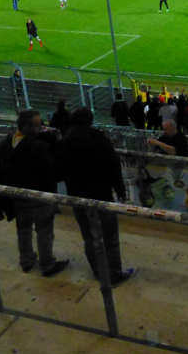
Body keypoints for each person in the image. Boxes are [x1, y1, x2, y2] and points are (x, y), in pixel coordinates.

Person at [55, 107, 136, 288]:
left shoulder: (64, 143)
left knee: (89, 237)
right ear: (90, 121)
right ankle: (114, 275)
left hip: (78, 197)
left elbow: (58, 173)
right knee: (110, 238)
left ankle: (99, 272)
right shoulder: (100, 140)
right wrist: (120, 190)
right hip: (101, 195)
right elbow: (113, 167)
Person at [0, 110, 69, 277]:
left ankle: (26, 261)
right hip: (39, 197)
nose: (41, 128)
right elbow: (53, 172)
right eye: (38, 125)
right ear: (27, 127)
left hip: (16, 197)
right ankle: (47, 264)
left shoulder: (2, 145)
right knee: (44, 232)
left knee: (23, 229)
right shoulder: (38, 147)